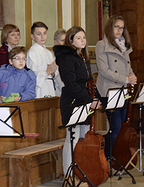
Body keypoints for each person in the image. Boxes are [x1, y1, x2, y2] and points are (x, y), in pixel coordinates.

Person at [53, 26, 103, 176]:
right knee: (72, 139)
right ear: (71, 40)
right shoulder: (67, 58)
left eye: (84, 38)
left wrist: (98, 98)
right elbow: (71, 84)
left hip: (85, 101)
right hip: (72, 102)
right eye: (79, 38)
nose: (83, 41)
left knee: (83, 138)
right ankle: (69, 175)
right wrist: (90, 99)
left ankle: (81, 171)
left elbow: (89, 81)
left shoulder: (82, 57)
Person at [95, 14, 137, 158]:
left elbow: (128, 67)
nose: (119, 30)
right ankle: (104, 157)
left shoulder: (123, 46)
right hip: (108, 91)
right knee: (116, 127)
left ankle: (113, 157)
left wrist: (132, 77)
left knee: (121, 128)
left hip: (123, 91)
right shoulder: (101, 45)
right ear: (110, 27)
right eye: (116, 27)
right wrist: (125, 79)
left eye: (122, 28)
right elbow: (104, 71)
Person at [26, 21, 58, 98]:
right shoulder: (32, 52)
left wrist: (53, 72)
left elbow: (54, 72)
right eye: (39, 34)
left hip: (50, 85)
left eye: (44, 33)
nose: (43, 37)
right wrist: (47, 72)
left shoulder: (48, 52)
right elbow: (31, 75)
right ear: (32, 37)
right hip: (40, 87)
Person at [53, 28, 66, 96]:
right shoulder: (53, 56)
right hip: (58, 88)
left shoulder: (69, 55)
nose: (65, 43)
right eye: (62, 40)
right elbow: (56, 74)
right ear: (56, 42)